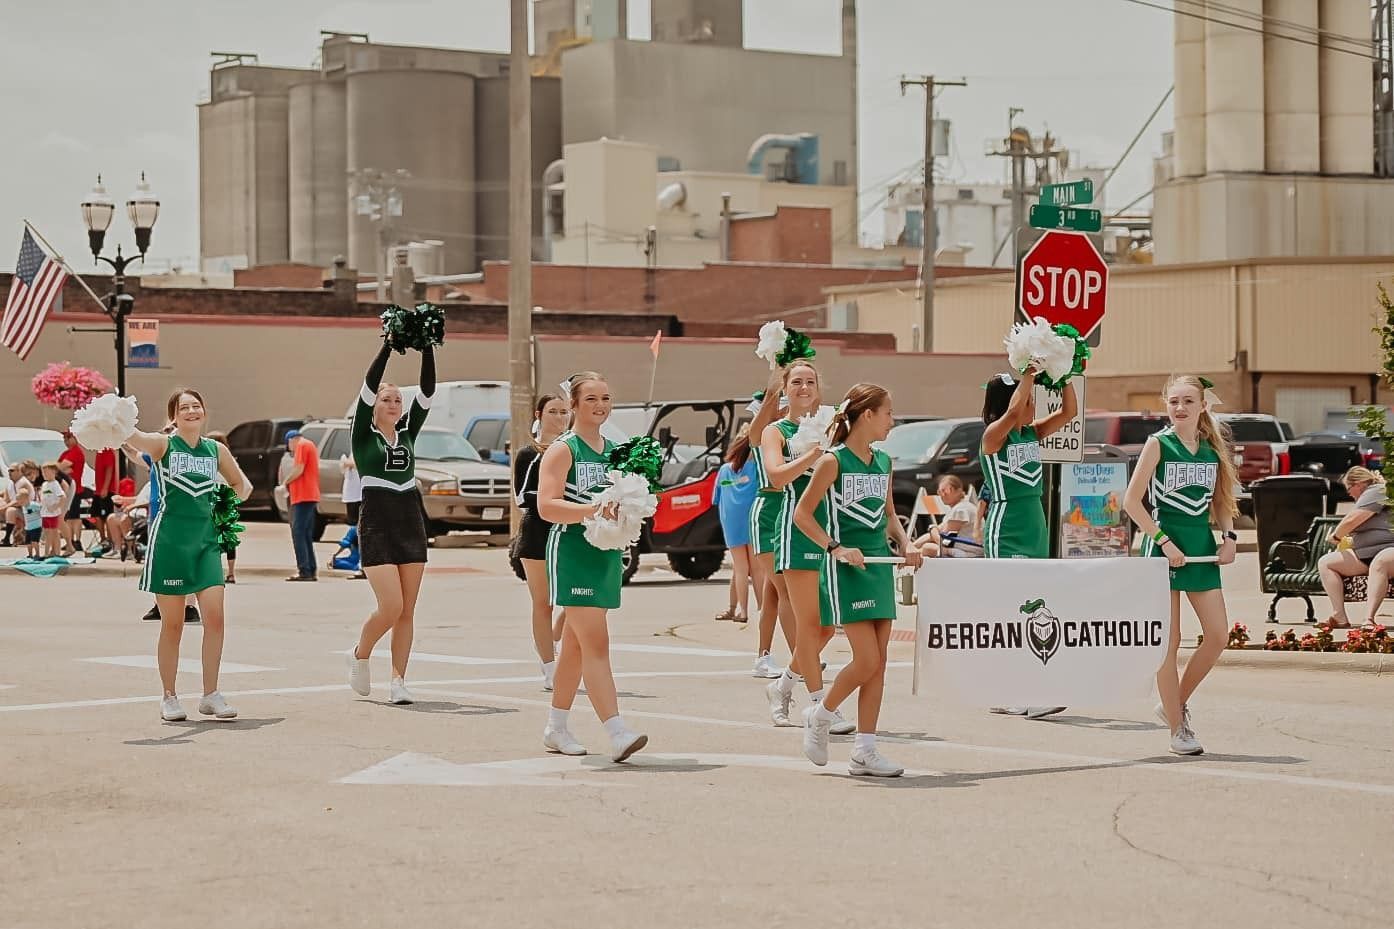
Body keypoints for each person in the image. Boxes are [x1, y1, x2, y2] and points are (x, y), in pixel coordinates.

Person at [796, 383, 922, 776]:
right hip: (846, 568)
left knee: (879, 664)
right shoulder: (833, 461)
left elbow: (887, 515)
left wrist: (906, 543)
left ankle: (864, 750)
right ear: (867, 415)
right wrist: (835, 547)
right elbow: (803, 514)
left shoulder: (883, 461)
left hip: (879, 565)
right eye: (887, 413)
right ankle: (821, 714)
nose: (892, 421)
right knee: (865, 659)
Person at [1123, 375, 1238, 756]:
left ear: (1203, 405)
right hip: (1163, 551)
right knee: (1167, 645)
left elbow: (1221, 501)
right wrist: (1163, 541)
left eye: (1188, 401)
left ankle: (1174, 701)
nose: (1180, 408)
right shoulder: (1158, 444)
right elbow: (1132, 503)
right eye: (1174, 401)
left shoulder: (1212, 448)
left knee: (1218, 635)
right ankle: (1178, 728)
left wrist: (1229, 538)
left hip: (1201, 549)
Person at [535, 371, 648, 761]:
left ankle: (556, 727)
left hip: (605, 553)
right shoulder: (563, 449)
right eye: (591, 400)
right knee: (596, 642)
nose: (600, 406)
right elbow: (546, 506)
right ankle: (616, 730)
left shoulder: (614, 449)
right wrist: (592, 509)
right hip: (572, 553)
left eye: (606, 398)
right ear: (574, 406)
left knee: (576, 648)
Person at [126, 388, 253, 722]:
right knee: (173, 624)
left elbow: (243, 486)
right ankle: (169, 696)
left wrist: (224, 507)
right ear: (174, 416)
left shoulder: (216, 449)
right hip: (170, 543)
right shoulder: (163, 444)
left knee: (216, 619)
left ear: (204, 411)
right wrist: (113, 418)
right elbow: (134, 437)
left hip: (206, 543)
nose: (192, 411)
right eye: (185, 408)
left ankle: (210, 694)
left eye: (197, 406)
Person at [762, 362, 854, 736]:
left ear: (819, 387)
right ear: (785, 387)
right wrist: (813, 455)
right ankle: (819, 705)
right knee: (808, 624)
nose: (803, 387)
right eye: (796, 381)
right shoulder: (775, 430)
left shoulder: (833, 424)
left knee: (827, 627)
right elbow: (776, 475)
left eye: (810, 381)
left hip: (828, 528)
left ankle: (782, 685)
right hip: (794, 530)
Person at [980, 369, 1077, 720]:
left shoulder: (1032, 434)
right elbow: (1010, 413)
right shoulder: (993, 437)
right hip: (1006, 527)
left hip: (1035, 522)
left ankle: (1017, 690)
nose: (1032, 404)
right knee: (1017, 608)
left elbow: (1069, 412)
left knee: (1037, 602)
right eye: (1028, 399)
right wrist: (1028, 375)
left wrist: (1065, 371)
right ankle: (1022, 691)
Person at [345, 338, 436, 706]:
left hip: (410, 516)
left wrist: (427, 347)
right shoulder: (362, 435)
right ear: (374, 406)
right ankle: (360, 653)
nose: (394, 405)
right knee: (391, 605)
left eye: (398, 400)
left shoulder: (407, 432)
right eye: (387, 400)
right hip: (377, 519)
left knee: (408, 610)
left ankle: (399, 680)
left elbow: (428, 392)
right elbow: (368, 385)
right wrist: (387, 346)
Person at [512, 393, 571, 690]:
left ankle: (557, 642)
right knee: (543, 603)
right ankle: (549, 667)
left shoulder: (573, 450)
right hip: (536, 533)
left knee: (576, 600)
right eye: (553, 411)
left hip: (570, 531)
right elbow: (521, 497)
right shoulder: (529, 453)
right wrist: (554, 498)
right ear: (539, 414)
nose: (559, 417)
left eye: (564, 411)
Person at [745, 368, 798, 679]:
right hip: (768, 511)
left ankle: (764, 656)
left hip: (792, 510)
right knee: (784, 589)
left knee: (774, 593)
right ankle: (800, 659)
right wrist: (772, 388)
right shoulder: (766, 434)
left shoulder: (796, 429)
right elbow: (760, 421)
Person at [129, 431, 200, 624]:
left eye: (171, 430)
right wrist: (118, 436)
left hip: (180, 515)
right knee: (160, 562)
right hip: (156, 514)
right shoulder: (155, 455)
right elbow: (134, 454)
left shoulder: (187, 456)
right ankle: (161, 604)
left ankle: (190, 606)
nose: (166, 433)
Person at [1317, 466, 1394, 628]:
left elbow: (1353, 519)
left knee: (1379, 563)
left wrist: (1336, 536)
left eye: (1349, 489)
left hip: (1389, 550)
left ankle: (1369, 619)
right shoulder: (1366, 497)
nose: (1349, 494)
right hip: (1367, 553)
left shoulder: (1378, 490)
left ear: (1358, 484)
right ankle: (1339, 617)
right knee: (1326, 563)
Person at [712, 424, 759, 624]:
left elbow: (716, 498)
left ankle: (741, 610)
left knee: (740, 567)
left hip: (731, 522)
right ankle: (763, 608)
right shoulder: (758, 468)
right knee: (757, 569)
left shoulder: (724, 470)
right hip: (753, 519)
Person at [280, 429, 321, 582]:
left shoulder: (302, 445)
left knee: (298, 533)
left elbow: (298, 469)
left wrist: (285, 482)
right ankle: (310, 569)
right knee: (305, 534)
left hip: (303, 496)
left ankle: (304, 570)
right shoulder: (309, 445)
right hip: (308, 495)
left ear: (292, 440)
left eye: (289, 445)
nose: (290, 449)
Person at [914, 474, 982, 558]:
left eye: (946, 490)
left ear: (959, 490)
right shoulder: (961, 507)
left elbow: (942, 537)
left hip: (970, 553)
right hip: (967, 551)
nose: (942, 494)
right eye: (939, 491)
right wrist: (912, 546)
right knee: (926, 548)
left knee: (928, 548)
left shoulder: (961, 509)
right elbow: (936, 532)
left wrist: (933, 530)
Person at [205, 431, 238, 583]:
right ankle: (231, 573)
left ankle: (213, 570)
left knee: (212, 537)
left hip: (212, 500)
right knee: (227, 537)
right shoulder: (230, 459)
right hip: (227, 500)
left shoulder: (208, 458)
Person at [58, 432, 87, 556]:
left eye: (68, 437)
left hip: (75, 489)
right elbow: (57, 468)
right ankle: (70, 540)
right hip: (67, 489)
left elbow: (60, 466)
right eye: (64, 438)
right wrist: (63, 468)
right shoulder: (66, 453)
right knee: (68, 517)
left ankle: (77, 540)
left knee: (75, 517)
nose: (66, 440)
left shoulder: (76, 452)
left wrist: (63, 468)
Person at [340, 449, 365, 579]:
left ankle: (364, 566)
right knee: (356, 530)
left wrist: (348, 463)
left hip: (361, 495)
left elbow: (364, 464)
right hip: (352, 495)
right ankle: (358, 562)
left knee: (362, 531)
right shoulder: (356, 444)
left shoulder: (368, 442)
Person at [89, 445, 117, 553]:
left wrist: (105, 487)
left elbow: (109, 469)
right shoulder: (99, 451)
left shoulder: (108, 450)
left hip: (106, 490)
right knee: (96, 514)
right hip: (98, 489)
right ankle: (103, 538)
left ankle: (110, 540)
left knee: (106, 516)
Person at [37, 462, 69, 558]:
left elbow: (63, 497)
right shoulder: (44, 484)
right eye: (43, 472)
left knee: (54, 533)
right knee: (47, 533)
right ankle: (49, 552)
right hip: (45, 513)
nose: (44, 474)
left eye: (46, 472)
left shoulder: (55, 484)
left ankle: (56, 552)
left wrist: (56, 506)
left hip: (53, 514)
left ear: (54, 472)